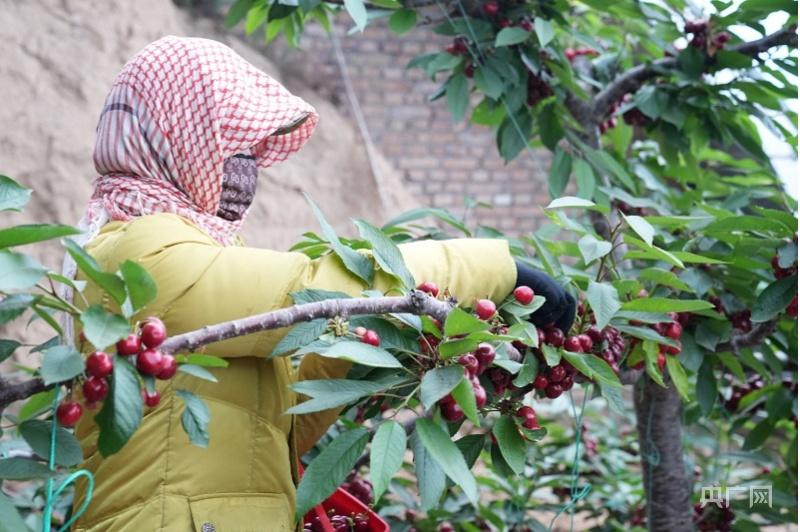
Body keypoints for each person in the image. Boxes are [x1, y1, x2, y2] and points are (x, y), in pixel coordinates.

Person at [70, 36, 575, 531]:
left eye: (250, 150)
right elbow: (312, 289)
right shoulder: (139, 257)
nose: (245, 167)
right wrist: (494, 268)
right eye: (231, 143)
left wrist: (385, 347)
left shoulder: (188, 252)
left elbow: (281, 423)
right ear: (178, 135)